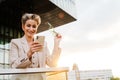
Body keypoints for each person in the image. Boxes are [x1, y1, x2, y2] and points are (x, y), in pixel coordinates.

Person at [9, 13, 62, 80]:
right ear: (23, 27)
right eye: (28, 26)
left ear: (37, 28)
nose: (31, 29)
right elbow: (14, 66)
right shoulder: (15, 43)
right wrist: (29, 54)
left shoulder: (43, 44)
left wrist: (56, 43)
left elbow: (52, 64)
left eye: (34, 26)